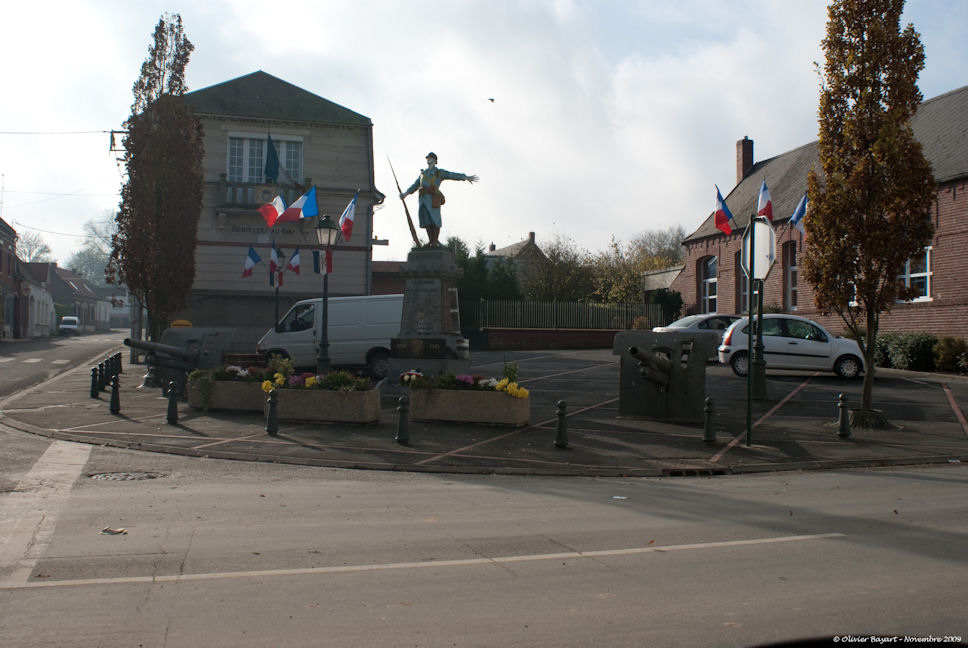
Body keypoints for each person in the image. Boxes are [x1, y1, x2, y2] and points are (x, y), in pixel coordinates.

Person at [400, 152, 478, 246]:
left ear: (435, 160)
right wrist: (405, 194)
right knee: (426, 220)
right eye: (427, 158)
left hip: (433, 199)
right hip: (423, 200)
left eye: (430, 158)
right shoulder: (423, 174)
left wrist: (465, 177)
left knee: (435, 220)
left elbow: (451, 175)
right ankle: (431, 241)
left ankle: (435, 241)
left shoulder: (438, 172)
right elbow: (414, 186)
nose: (428, 159)